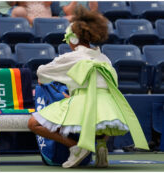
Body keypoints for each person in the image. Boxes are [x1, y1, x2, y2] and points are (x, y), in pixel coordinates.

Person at [27, 5, 149, 168]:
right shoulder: (104, 58)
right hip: (108, 104)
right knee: (103, 120)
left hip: (83, 103)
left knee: (33, 123)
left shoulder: (71, 56)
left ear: (74, 39)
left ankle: (75, 147)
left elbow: (42, 72)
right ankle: (101, 147)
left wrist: (53, 81)